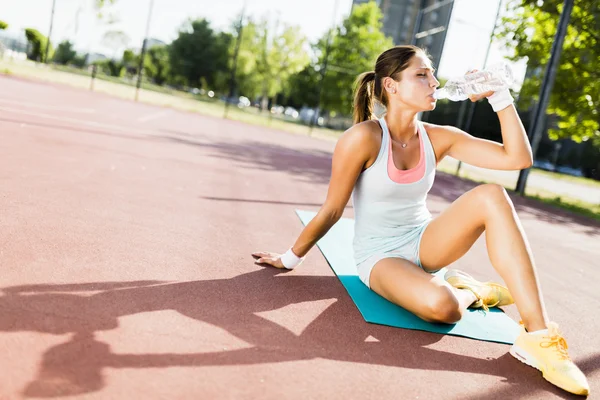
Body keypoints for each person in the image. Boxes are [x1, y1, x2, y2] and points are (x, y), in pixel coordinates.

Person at [252, 45, 589, 396]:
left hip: (425, 241)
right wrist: (290, 258)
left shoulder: (438, 137)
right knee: (444, 308)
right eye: (422, 74)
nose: (435, 82)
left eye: (432, 74)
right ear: (391, 86)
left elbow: (517, 158)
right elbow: (333, 210)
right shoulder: (363, 138)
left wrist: (500, 96)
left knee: (492, 195)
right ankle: (470, 293)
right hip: (381, 258)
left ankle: (538, 338)